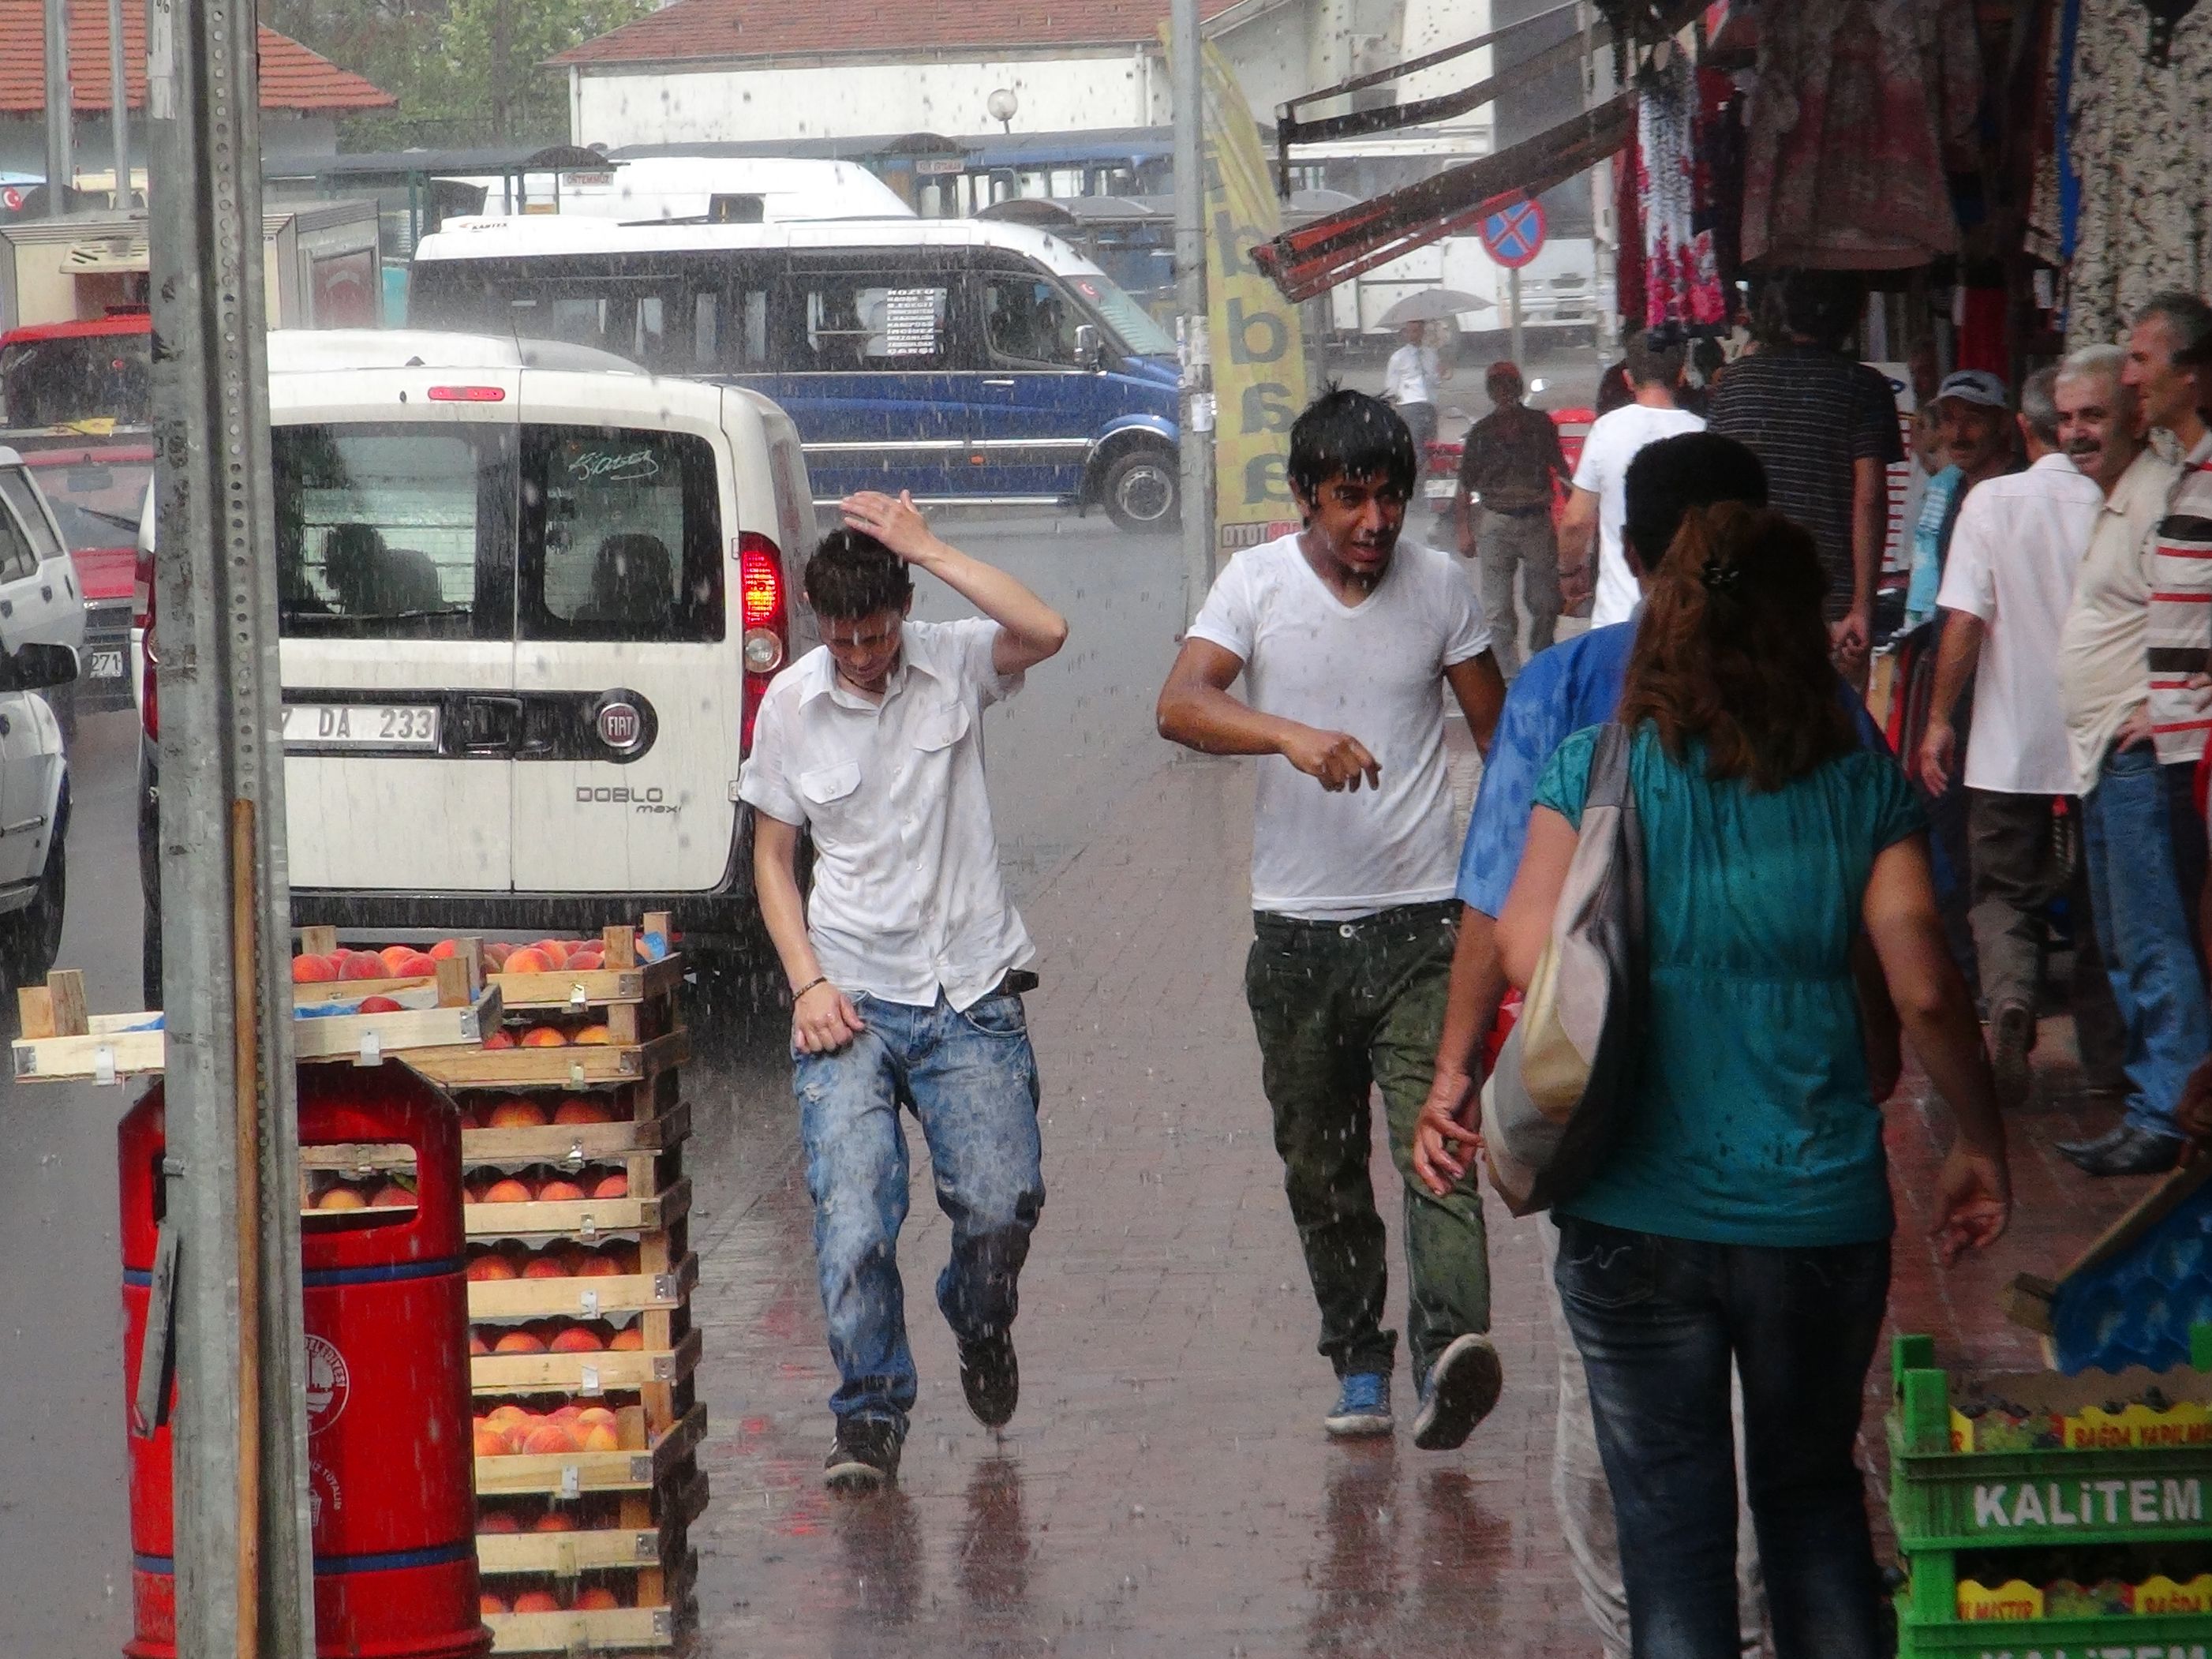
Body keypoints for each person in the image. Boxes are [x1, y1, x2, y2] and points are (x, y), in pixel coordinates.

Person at [1499, 502, 2012, 1659]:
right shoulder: (1858, 786)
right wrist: (1980, 1140)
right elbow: (1926, 990)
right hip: (1813, 1213)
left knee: (1670, 1533)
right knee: (1810, 1498)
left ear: (1666, 615)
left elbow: (1529, 952)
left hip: (1631, 1206)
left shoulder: (1592, 769)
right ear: (1799, 628)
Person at [1413, 430, 1790, 1659]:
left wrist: (1455, 1073)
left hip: (1604, 1110)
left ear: (1627, 554)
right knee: (1766, 1421)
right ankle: (1736, 1622)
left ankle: (1651, 1630)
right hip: (1788, 1121)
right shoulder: (1817, 703)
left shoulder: (1569, 695)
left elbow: (1493, 909)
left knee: (1612, 1391)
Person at [1155, 388, 1507, 1449]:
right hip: (1297, 937)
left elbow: (1510, 745)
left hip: (1420, 930)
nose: (1373, 522)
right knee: (1320, 1162)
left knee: (1431, 1139)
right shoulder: (1253, 585)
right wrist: (1287, 737)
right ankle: (1355, 1355)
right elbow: (1178, 703)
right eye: (1350, 498)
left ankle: (1452, 1352)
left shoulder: (1441, 587)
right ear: (1305, 497)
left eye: (1389, 498)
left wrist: (1509, 902)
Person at [739, 489, 1069, 1491]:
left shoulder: (959, 662)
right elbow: (771, 855)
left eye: (877, 632)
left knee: (1002, 1206)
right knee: (852, 1220)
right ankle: (871, 1411)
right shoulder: (791, 704)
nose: (861, 654)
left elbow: (1046, 629)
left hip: (969, 990)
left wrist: (928, 542)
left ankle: (979, 1319)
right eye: (841, 637)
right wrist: (806, 983)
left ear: (904, 609)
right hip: (851, 997)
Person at [1917, 367, 2124, 1109]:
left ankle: (2009, 999)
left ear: (2022, 429)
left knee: (2002, 895)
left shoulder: (1989, 502)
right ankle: (2105, 1060)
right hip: (2105, 742)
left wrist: (1939, 720)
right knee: (2105, 905)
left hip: (2007, 746)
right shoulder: (2116, 498)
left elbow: (1965, 622)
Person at [2056, 298, 2212, 1175]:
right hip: (2107, 757)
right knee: (2126, 940)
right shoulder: (2122, 497)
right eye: (2067, 417)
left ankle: (2169, 1113)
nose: (2079, 431)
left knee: (2153, 941)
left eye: (2095, 414)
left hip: (2141, 755)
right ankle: (2155, 1102)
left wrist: (2166, 706)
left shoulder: (2164, 492)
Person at [1706, 269, 1904, 677]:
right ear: (1854, 315)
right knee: (1828, 728)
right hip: (1828, 605)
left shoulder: (1734, 382)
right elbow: (1870, 499)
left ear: (1779, 312)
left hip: (1742, 595)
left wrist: (1714, 593)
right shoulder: (1864, 387)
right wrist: (1862, 608)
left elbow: (1713, 497)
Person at [1559, 329, 1702, 627]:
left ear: (1627, 379)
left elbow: (1575, 521)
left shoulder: (1606, 431)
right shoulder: (1703, 434)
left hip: (1617, 619)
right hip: (1687, 621)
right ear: (1682, 375)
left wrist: (1570, 572)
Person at [1454, 361, 1570, 678]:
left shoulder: (1540, 425)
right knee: (1497, 612)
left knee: (1546, 602)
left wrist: (1575, 511)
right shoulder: (1481, 433)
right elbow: (1464, 484)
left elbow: (1561, 469)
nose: (1503, 392)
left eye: (1509, 385)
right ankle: (1510, 679)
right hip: (1496, 522)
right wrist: (1464, 529)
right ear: (1491, 393)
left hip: (1536, 521)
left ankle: (1542, 662)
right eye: (1497, 386)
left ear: (1518, 389)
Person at [1382, 320, 1442, 450]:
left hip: (1430, 405)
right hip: (1410, 405)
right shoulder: (1398, 357)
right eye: (1409, 331)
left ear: (1423, 332)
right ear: (1404, 333)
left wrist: (1442, 373)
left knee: (1432, 447)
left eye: (1416, 331)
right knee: (1415, 446)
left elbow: (1435, 382)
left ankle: (1428, 469)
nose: (1413, 335)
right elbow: (1391, 388)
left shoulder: (1431, 354)